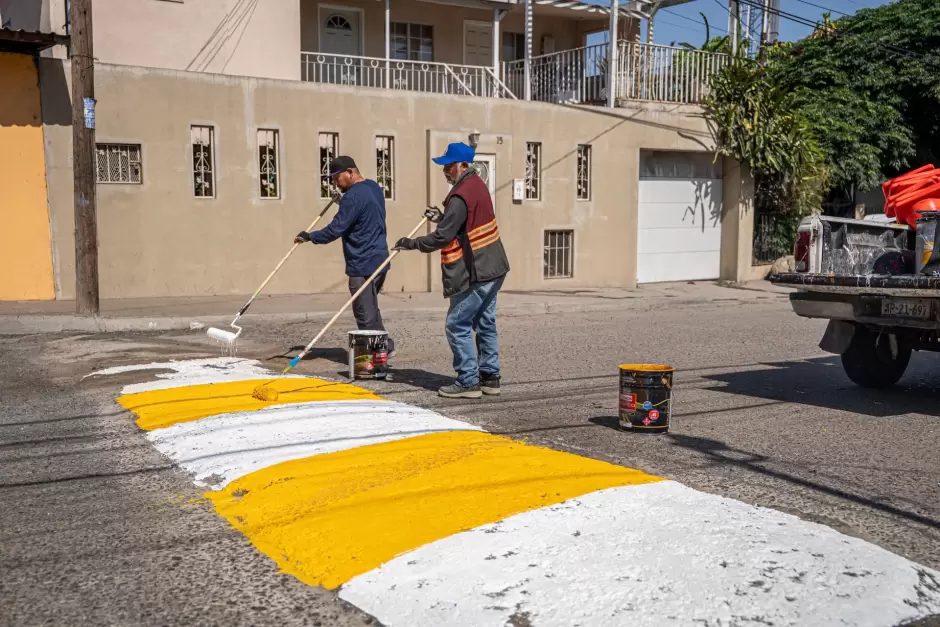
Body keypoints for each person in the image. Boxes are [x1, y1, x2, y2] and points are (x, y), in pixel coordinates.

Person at [394, 142, 510, 398]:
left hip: (477, 270)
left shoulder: (459, 195)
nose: (445, 171)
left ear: (464, 165)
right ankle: (490, 378)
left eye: (449, 166)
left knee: (457, 323)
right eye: (443, 167)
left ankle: (468, 381)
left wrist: (411, 243)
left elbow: (442, 238)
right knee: (484, 322)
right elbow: (461, 223)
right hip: (494, 266)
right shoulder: (476, 186)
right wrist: (441, 216)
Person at [295, 155, 395, 356]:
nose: (334, 183)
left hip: (362, 262)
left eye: (336, 178)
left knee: (364, 313)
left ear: (350, 172)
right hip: (380, 259)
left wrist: (310, 236)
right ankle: (385, 347)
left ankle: (376, 358)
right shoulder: (374, 188)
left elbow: (336, 229)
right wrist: (342, 201)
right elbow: (361, 212)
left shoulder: (352, 197)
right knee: (371, 307)